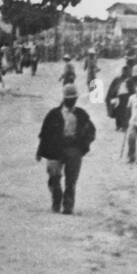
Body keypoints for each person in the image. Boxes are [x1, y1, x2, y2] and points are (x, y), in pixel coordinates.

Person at [36, 83, 96, 214]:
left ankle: (68, 206)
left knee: (71, 180)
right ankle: (56, 200)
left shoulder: (81, 114)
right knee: (54, 178)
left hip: (74, 149)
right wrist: (39, 151)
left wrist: (83, 145)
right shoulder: (53, 114)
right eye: (69, 99)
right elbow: (44, 133)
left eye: (73, 99)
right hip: (54, 150)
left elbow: (91, 131)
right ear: (64, 99)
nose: (71, 101)